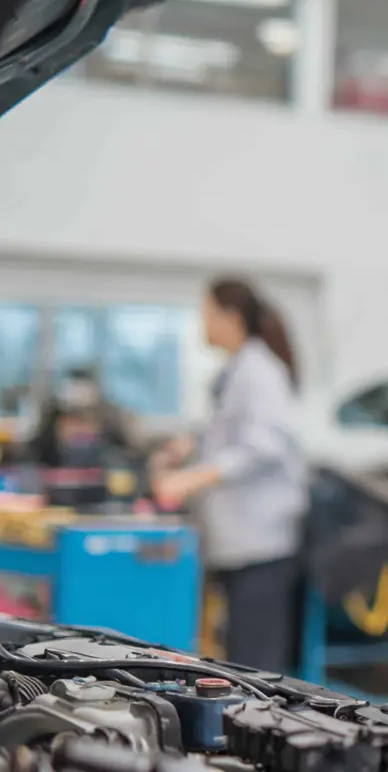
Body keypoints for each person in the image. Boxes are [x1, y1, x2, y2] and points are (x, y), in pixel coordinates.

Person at [153, 277, 307, 674]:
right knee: (239, 652)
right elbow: (233, 431)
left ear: (230, 317)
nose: (202, 326)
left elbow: (266, 444)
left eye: (206, 316)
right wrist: (191, 443)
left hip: (261, 542)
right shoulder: (239, 369)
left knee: (256, 665)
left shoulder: (260, 371)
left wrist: (195, 478)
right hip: (239, 541)